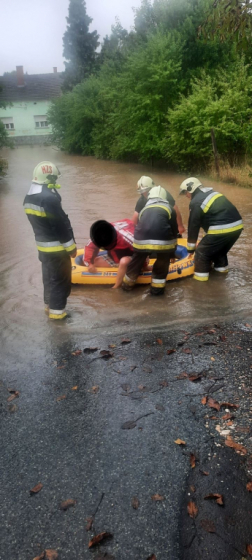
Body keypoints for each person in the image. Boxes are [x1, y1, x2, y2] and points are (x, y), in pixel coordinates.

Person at [23, 161, 77, 319]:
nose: (56, 182)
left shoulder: (29, 197)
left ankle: (48, 306)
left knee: (49, 278)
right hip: (57, 250)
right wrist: (71, 248)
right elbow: (60, 225)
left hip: (43, 249)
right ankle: (58, 316)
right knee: (61, 281)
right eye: (54, 179)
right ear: (49, 178)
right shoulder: (49, 199)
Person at [179, 177, 243, 281]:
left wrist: (191, 249)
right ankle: (221, 276)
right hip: (237, 227)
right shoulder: (213, 193)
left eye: (185, 192)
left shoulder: (195, 202)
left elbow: (193, 226)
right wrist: (205, 241)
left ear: (190, 189)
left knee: (201, 253)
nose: (185, 195)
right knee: (219, 252)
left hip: (222, 228)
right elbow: (211, 221)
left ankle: (201, 286)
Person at [122, 186, 178, 295]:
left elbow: (140, 226)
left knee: (136, 261)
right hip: (163, 242)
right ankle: (156, 292)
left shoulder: (144, 209)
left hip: (140, 241)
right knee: (162, 261)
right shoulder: (169, 208)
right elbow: (174, 232)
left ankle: (126, 288)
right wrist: (172, 254)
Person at [83, 219, 135, 289]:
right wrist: (89, 264)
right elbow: (89, 247)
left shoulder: (128, 238)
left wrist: (144, 266)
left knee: (123, 261)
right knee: (94, 262)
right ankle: (119, 268)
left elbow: (141, 253)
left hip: (131, 257)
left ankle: (116, 287)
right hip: (115, 257)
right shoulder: (101, 233)